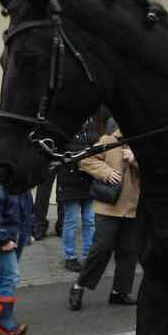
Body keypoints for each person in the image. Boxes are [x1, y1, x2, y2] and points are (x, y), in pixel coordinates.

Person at [68, 123, 140, 310]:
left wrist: (134, 159)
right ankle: (78, 287)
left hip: (132, 208)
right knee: (101, 249)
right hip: (108, 207)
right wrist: (105, 172)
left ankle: (119, 292)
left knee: (129, 251)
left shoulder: (141, 145)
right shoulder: (108, 141)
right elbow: (85, 160)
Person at [0, 178, 34, 335]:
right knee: (11, 275)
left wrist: (29, 233)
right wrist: (3, 240)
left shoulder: (24, 186)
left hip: (17, 238)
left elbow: (28, 213)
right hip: (4, 239)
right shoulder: (0, 187)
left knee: (5, 275)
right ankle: (4, 320)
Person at [56, 117, 97, 272]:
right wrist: (86, 151)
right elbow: (64, 150)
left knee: (89, 221)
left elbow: (96, 146)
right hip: (69, 183)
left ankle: (88, 256)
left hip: (87, 181)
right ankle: (70, 257)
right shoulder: (66, 124)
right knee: (71, 221)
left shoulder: (90, 124)